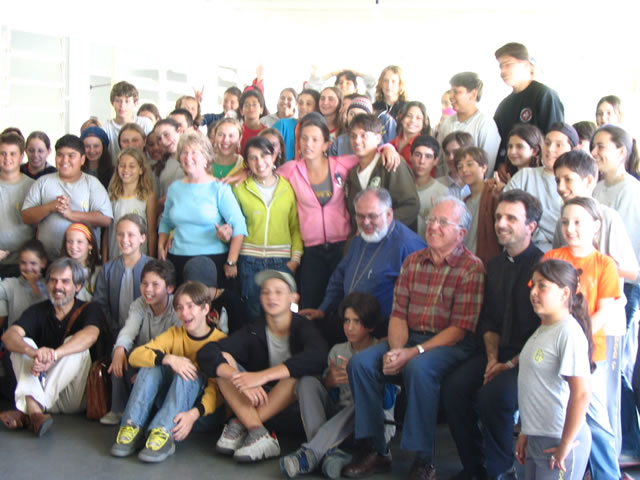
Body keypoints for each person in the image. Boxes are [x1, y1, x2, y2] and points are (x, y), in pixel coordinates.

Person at [343, 196, 484, 480]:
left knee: (419, 369)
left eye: (442, 222)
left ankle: (424, 460)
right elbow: (398, 314)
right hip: (409, 338)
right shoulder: (413, 261)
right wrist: (396, 351)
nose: (433, 226)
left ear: (461, 233)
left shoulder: (471, 267)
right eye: (431, 219)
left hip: (450, 344)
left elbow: (459, 329)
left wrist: (413, 353)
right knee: (360, 364)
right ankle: (376, 449)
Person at [442, 189, 543, 480]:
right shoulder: (495, 265)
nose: (500, 224)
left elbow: (544, 332)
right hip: (497, 353)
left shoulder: (542, 267)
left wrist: (508, 365)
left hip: (530, 359)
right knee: (454, 388)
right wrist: (492, 359)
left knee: (493, 397)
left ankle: (499, 472)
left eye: (511, 218)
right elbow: (488, 320)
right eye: (498, 217)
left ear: (531, 226)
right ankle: (474, 467)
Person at [197, 270, 328, 463]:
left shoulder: (304, 326)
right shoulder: (254, 329)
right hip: (256, 401)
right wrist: (237, 378)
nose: (271, 297)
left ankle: (242, 423)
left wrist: (262, 376)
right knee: (223, 360)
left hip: (296, 411)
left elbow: (318, 356)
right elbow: (206, 353)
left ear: (293, 298)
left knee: (297, 374)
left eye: (278, 292)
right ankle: (258, 432)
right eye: (266, 292)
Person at [544, 197, 624, 480]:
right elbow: (542, 302)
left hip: (591, 353)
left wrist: (578, 340)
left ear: (596, 226)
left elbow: (604, 310)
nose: (570, 228)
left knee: (596, 420)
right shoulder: (552, 258)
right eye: (565, 222)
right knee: (558, 416)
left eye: (578, 222)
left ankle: (608, 475)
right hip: (553, 350)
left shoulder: (605, 264)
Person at [109, 281, 226, 463]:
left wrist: (194, 414)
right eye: (179, 308)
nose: (184, 313)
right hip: (171, 406)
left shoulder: (220, 340)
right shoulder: (174, 333)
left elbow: (217, 391)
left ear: (205, 309)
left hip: (199, 415)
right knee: (153, 364)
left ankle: (163, 431)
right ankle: (133, 425)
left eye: (190, 306)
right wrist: (168, 359)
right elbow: (135, 356)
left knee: (188, 369)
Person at [280, 292, 392, 479]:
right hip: (337, 426)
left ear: (370, 326)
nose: (350, 327)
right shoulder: (337, 350)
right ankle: (327, 456)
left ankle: (312, 452)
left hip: (368, 428)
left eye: (357, 322)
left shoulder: (380, 352)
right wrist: (329, 382)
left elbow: (388, 402)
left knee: (363, 401)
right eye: (346, 321)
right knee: (307, 383)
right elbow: (331, 396)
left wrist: (360, 378)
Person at [301, 188, 425, 341]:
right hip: (350, 321)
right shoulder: (361, 238)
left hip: (383, 328)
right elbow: (340, 277)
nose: (366, 222)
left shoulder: (410, 246)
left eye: (372, 216)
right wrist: (323, 309)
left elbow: (421, 300)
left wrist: (397, 336)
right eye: (360, 216)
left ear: (389, 214)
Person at [0, 258, 106, 436]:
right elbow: (8, 336)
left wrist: (54, 355)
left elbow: (90, 335)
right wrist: (32, 352)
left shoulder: (90, 308)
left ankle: (29, 409)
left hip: (73, 397)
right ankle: (35, 412)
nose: (58, 286)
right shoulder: (38, 310)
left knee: (76, 346)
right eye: (53, 281)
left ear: (78, 286)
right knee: (22, 345)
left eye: (65, 281)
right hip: (45, 394)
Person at [516, 259, 593, 478]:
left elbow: (581, 393)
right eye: (533, 285)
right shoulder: (543, 330)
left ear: (564, 293)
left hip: (560, 441)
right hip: (538, 439)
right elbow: (536, 387)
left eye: (542, 286)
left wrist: (566, 443)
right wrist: (526, 431)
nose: (533, 292)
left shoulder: (568, 332)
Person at [158, 130, 247, 286]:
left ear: (206, 158)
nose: (188, 157)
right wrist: (161, 244)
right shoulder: (174, 188)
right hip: (176, 258)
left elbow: (239, 226)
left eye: (194, 152)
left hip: (212, 261)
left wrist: (231, 262)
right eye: (184, 152)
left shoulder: (219, 188)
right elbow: (166, 222)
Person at [100, 260, 179, 426]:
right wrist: (120, 348)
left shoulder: (176, 308)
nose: (148, 289)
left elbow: (176, 348)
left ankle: (154, 414)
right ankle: (118, 409)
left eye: (155, 285)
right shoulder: (139, 304)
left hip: (164, 363)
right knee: (119, 354)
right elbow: (129, 330)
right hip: (141, 358)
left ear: (169, 288)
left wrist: (145, 372)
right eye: (144, 283)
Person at [233, 136, 302, 317]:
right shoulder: (239, 188)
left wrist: (295, 260)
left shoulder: (288, 187)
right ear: (247, 163)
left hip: (281, 261)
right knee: (253, 313)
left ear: (274, 156)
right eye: (253, 158)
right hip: (249, 261)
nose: (259, 162)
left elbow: (295, 227)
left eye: (264, 155)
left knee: (282, 315)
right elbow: (233, 225)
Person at [21, 134, 113, 260]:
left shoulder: (92, 184)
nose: (64, 160)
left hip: (83, 262)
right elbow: (26, 216)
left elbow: (105, 219)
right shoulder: (42, 182)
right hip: (48, 260)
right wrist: (50, 207)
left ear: (82, 159)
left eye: (71, 156)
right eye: (60, 155)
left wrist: (71, 214)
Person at [503, 122, 577, 252]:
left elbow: (572, 228)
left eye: (558, 145)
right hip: (520, 252)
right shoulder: (524, 176)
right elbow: (506, 213)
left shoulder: (576, 183)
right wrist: (544, 233)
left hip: (560, 257)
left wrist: (531, 216)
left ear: (572, 149)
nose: (550, 149)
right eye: (547, 143)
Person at [493, 42, 564, 174]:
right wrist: (501, 163)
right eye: (501, 66)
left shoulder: (544, 95)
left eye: (508, 64)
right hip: (512, 174)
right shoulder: (504, 106)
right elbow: (499, 142)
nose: (503, 71)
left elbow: (554, 137)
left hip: (541, 172)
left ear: (525, 65)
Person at [344, 113, 419, 231]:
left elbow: (410, 206)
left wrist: (381, 226)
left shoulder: (391, 164)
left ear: (378, 138)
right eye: (353, 136)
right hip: (364, 238)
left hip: (394, 236)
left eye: (364, 135)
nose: (357, 141)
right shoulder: (353, 173)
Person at [93, 214, 151, 339]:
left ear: (142, 238)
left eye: (131, 235)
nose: (124, 239)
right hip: (114, 335)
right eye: (120, 234)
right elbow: (100, 304)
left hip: (147, 336)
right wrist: (115, 331)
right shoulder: (107, 269)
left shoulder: (153, 268)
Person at [437, 72, 500, 177]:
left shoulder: (485, 124)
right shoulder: (447, 122)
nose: (451, 96)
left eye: (456, 92)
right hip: (445, 185)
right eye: (451, 91)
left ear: (473, 94)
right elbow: (439, 159)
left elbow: (487, 166)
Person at [105, 148, 157, 259]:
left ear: (141, 170)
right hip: (115, 255)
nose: (126, 170)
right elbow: (107, 231)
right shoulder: (111, 196)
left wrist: (151, 260)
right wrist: (105, 259)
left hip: (139, 257)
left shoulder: (148, 196)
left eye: (132, 166)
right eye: (122, 165)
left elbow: (151, 232)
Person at [0, 132, 35, 278]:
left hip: (23, 264)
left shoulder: (33, 186)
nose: (7, 158)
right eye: (2, 153)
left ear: (21, 156)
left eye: (12, 154)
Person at [103, 81, 154, 164]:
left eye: (127, 101)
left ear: (135, 103)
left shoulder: (145, 123)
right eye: (118, 101)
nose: (122, 105)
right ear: (112, 103)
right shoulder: (105, 129)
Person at [410, 135, 448, 238]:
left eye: (428, 156)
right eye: (418, 155)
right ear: (411, 157)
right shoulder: (401, 187)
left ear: (435, 161)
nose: (422, 161)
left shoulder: (442, 192)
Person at [274, 88, 320, 161]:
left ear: (316, 108)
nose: (303, 107)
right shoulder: (283, 125)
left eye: (308, 104)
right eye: (300, 103)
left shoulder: (320, 130)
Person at [60, 223, 101, 301]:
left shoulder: (100, 272)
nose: (73, 246)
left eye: (79, 242)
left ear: (90, 245)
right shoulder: (59, 270)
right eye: (70, 241)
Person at [436, 131, 473, 199]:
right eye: (447, 153)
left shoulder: (483, 186)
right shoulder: (436, 185)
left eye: (456, 152)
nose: (451, 158)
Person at [80, 126, 114, 190]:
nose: (92, 150)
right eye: (87, 146)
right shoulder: (76, 170)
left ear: (103, 147)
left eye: (96, 146)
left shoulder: (113, 172)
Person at [239, 89, 266, 154]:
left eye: (254, 104)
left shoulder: (266, 132)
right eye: (247, 105)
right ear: (241, 111)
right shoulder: (237, 131)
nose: (251, 108)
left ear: (261, 109)